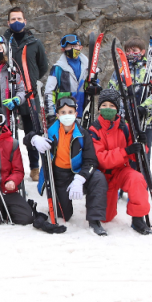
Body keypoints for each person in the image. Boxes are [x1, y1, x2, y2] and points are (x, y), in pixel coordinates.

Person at [29, 96, 108, 235]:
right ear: (58, 114)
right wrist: (34, 139)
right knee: (64, 215)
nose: (67, 115)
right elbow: (28, 136)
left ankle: (95, 221)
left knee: (98, 178)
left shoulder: (83, 134)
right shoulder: (49, 130)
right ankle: (62, 203)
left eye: (70, 112)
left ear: (76, 114)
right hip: (58, 176)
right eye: (63, 112)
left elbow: (91, 161)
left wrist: (80, 178)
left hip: (77, 173)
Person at [88, 90, 152, 235]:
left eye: (112, 106)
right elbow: (102, 159)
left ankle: (138, 220)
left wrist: (142, 144)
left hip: (122, 171)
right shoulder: (94, 130)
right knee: (107, 217)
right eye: (104, 105)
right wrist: (126, 151)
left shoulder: (125, 127)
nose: (108, 108)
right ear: (99, 108)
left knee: (137, 179)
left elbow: (138, 157)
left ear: (117, 109)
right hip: (104, 176)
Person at [3, 6, 48, 182]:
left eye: (19, 18)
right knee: (8, 133)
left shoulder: (34, 43)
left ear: (25, 21)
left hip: (30, 95)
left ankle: (35, 167)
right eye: (13, 19)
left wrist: (32, 79)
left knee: (32, 132)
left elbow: (43, 65)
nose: (16, 22)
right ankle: (10, 167)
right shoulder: (4, 42)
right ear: (8, 22)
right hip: (11, 94)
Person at [107, 36, 152, 164]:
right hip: (125, 119)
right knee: (127, 152)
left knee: (144, 152)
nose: (130, 53)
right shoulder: (120, 71)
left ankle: (144, 181)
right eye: (128, 51)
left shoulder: (151, 70)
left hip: (146, 119)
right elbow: (111, 92)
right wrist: (121, 111)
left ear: (143, 52)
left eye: (134, 50)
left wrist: (144, 107)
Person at [44, 33, 98, 125]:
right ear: (63, 49)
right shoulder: (57, 68)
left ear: (80, 47)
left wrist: (96, 88)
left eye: (75, 45)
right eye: (69, 46)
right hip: (64, 114)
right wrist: (51, 114)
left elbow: (95, 83)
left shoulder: (89, 67)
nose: (73, 48)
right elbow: (49, 92)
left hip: (84, 112)